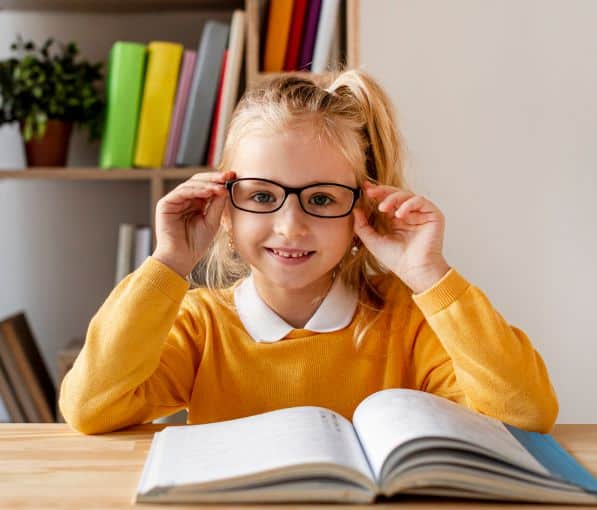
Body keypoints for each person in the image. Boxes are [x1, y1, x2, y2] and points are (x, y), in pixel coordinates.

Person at [59, 69, 558, 435]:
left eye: (320, 199)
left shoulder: (407, 322)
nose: (290, 226)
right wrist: (168, 263)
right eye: (260, 196)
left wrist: (430, 276)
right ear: (224, 210)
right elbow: (90, 408)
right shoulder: (200, 325)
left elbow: (525, 411)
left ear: (361, 210)